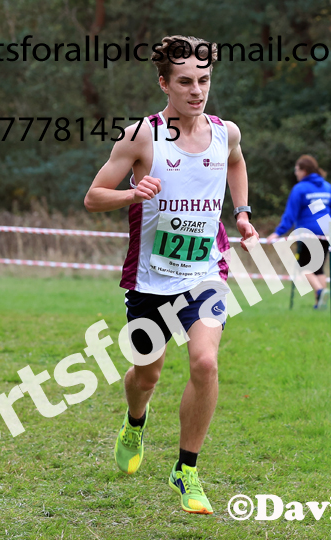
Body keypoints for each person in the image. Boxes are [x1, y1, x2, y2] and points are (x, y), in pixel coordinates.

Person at [84, 35, 257, 515]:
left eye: (204, 80)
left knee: (205, 363)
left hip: (206, 272)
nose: (196, 90)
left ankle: (186, 469)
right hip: (150, 282)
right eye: (185, 82)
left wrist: (242, 213)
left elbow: (236, 163)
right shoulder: (142, 136)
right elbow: (94, 196)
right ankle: (134, 420)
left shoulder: (226, 133)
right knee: (147, 375)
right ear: (164, 83)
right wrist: (132, 194)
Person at [266, 155, 331, 310]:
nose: (295, 173)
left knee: (303, 266)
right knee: (318, 268)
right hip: (328, 232)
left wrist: (278, 232)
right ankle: (320, 303)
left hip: (309, 232)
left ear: (304, 170)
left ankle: (320, 291)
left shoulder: (300, 189)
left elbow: (290, 214)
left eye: (297, 170)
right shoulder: (327, 187)